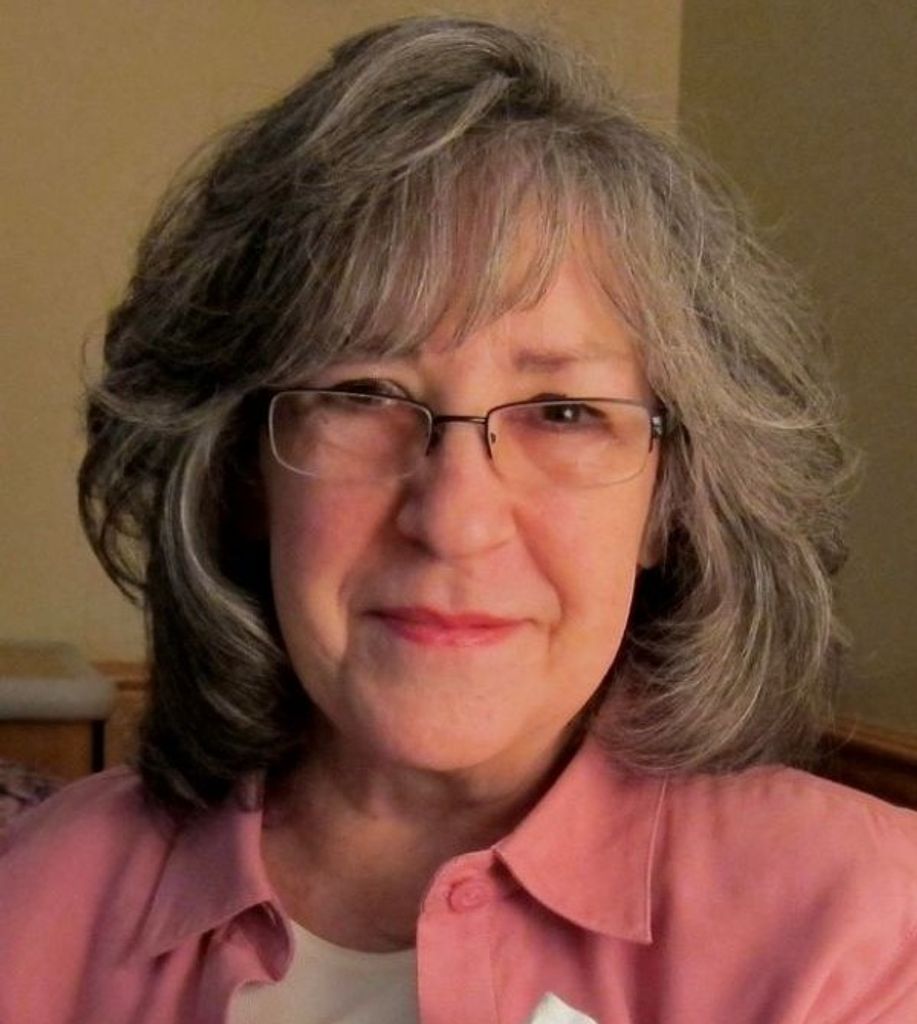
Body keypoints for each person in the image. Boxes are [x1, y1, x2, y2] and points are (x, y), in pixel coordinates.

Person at [1, 14, 915, 1024]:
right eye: (361, 394)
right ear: (240, 472)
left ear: (670, 503)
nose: (454, 519)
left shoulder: (866, 931)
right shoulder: (32, 903)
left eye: (562, 412)